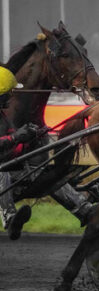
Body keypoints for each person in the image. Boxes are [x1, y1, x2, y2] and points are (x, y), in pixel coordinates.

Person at [0, 65, 40, 239]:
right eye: (9, 92)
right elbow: (11, 140)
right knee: (2, 173)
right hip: (2, 176)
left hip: (8, 175)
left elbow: (12, 149)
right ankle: (9, 218)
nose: (12, 95)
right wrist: (16, 138)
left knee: (40, 171)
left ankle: (84, 209)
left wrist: (29, 138)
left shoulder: (3, 117)